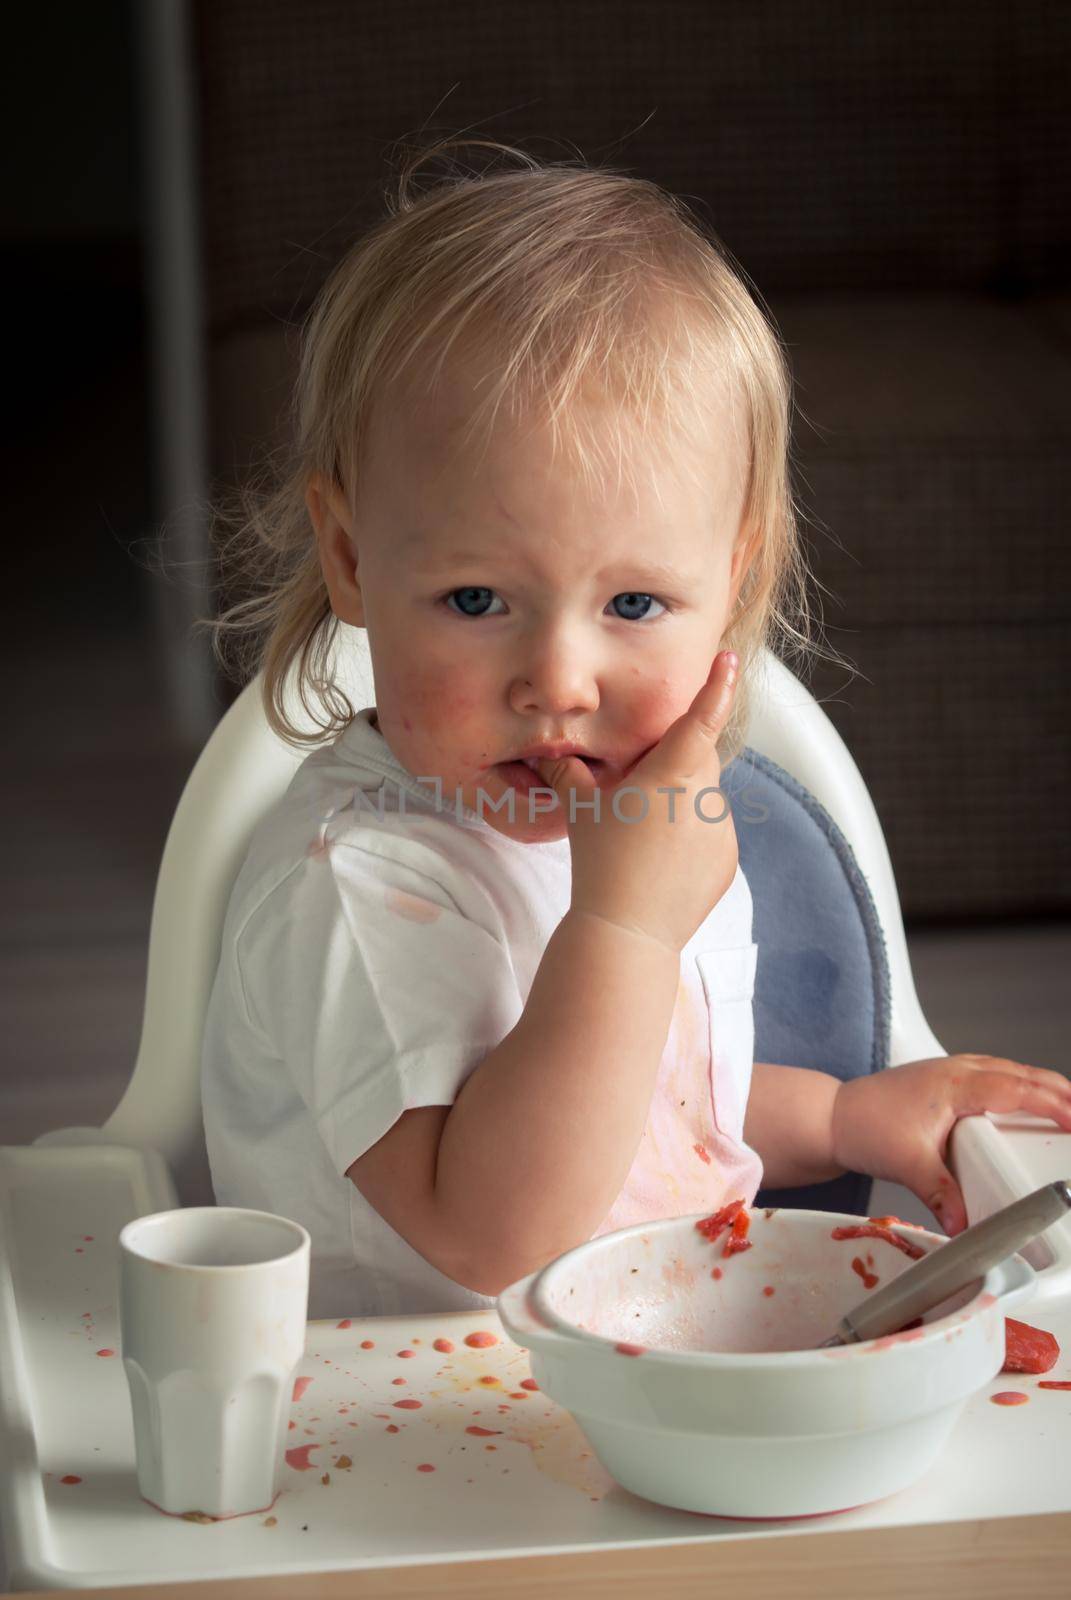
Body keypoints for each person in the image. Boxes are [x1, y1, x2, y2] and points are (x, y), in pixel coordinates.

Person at [199, 137, 1071, 1320]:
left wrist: (843, 1116)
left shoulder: (638, 825)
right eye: (475, 600)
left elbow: (649, 1102)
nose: (558, 681)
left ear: (732, 578)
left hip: (653, 1367)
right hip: (423, 1429)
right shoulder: (361, 882)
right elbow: (490, 1233)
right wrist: (623, 923)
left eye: (634, 605)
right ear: (352, 561)